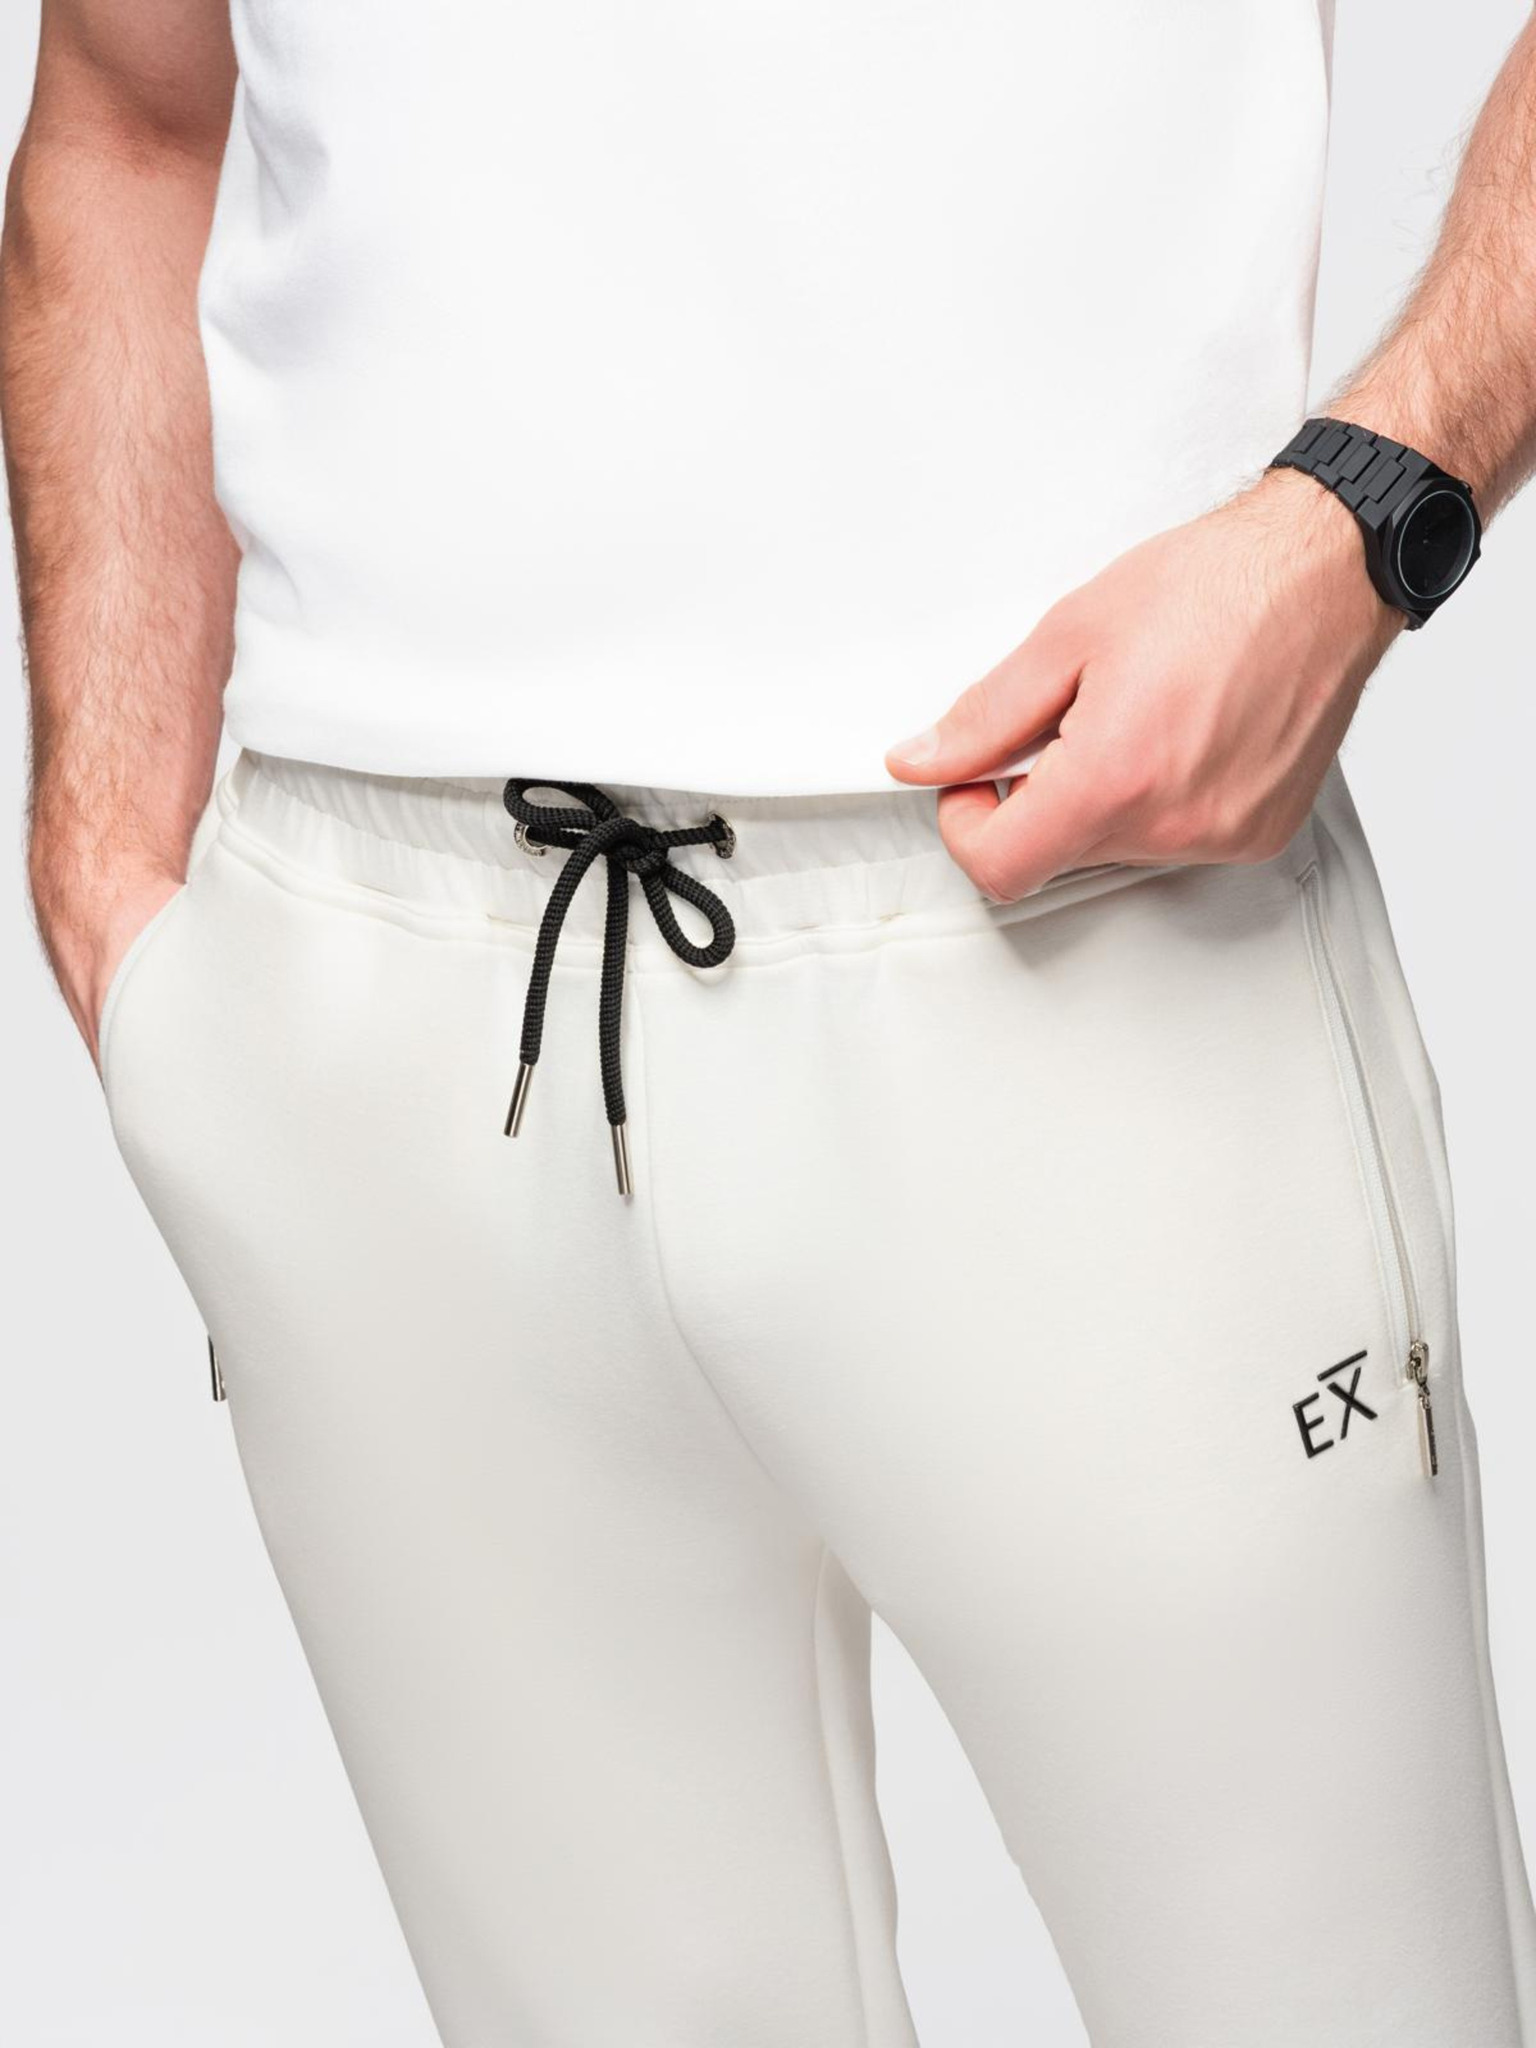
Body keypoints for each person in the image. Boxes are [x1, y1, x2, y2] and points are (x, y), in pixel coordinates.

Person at [4, 1, 1534, 2040]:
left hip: (1079, 906)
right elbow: (129, 113)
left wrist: (1375, 497)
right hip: (376, 1014)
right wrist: (112, 865)